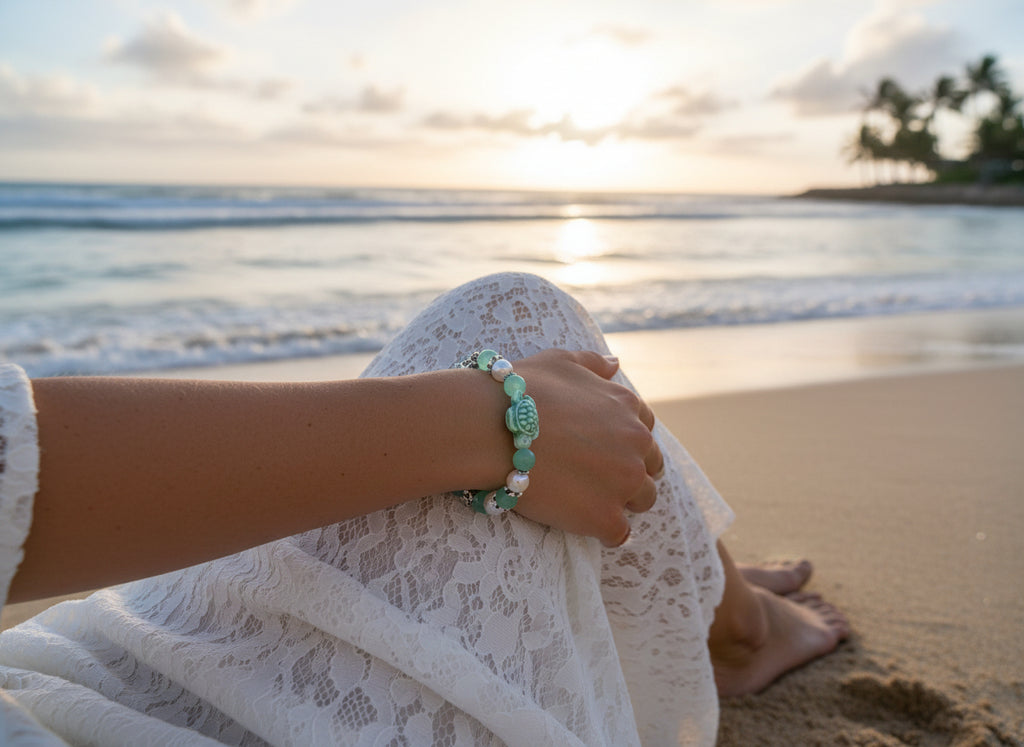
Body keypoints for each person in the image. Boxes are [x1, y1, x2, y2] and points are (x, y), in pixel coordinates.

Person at [0, 273, 847, 745]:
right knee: (520, 319)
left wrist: (500, 427)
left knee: (506, 367)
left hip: (61, 669)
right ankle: (728, 620)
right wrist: (500, 418)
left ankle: (694, 593)